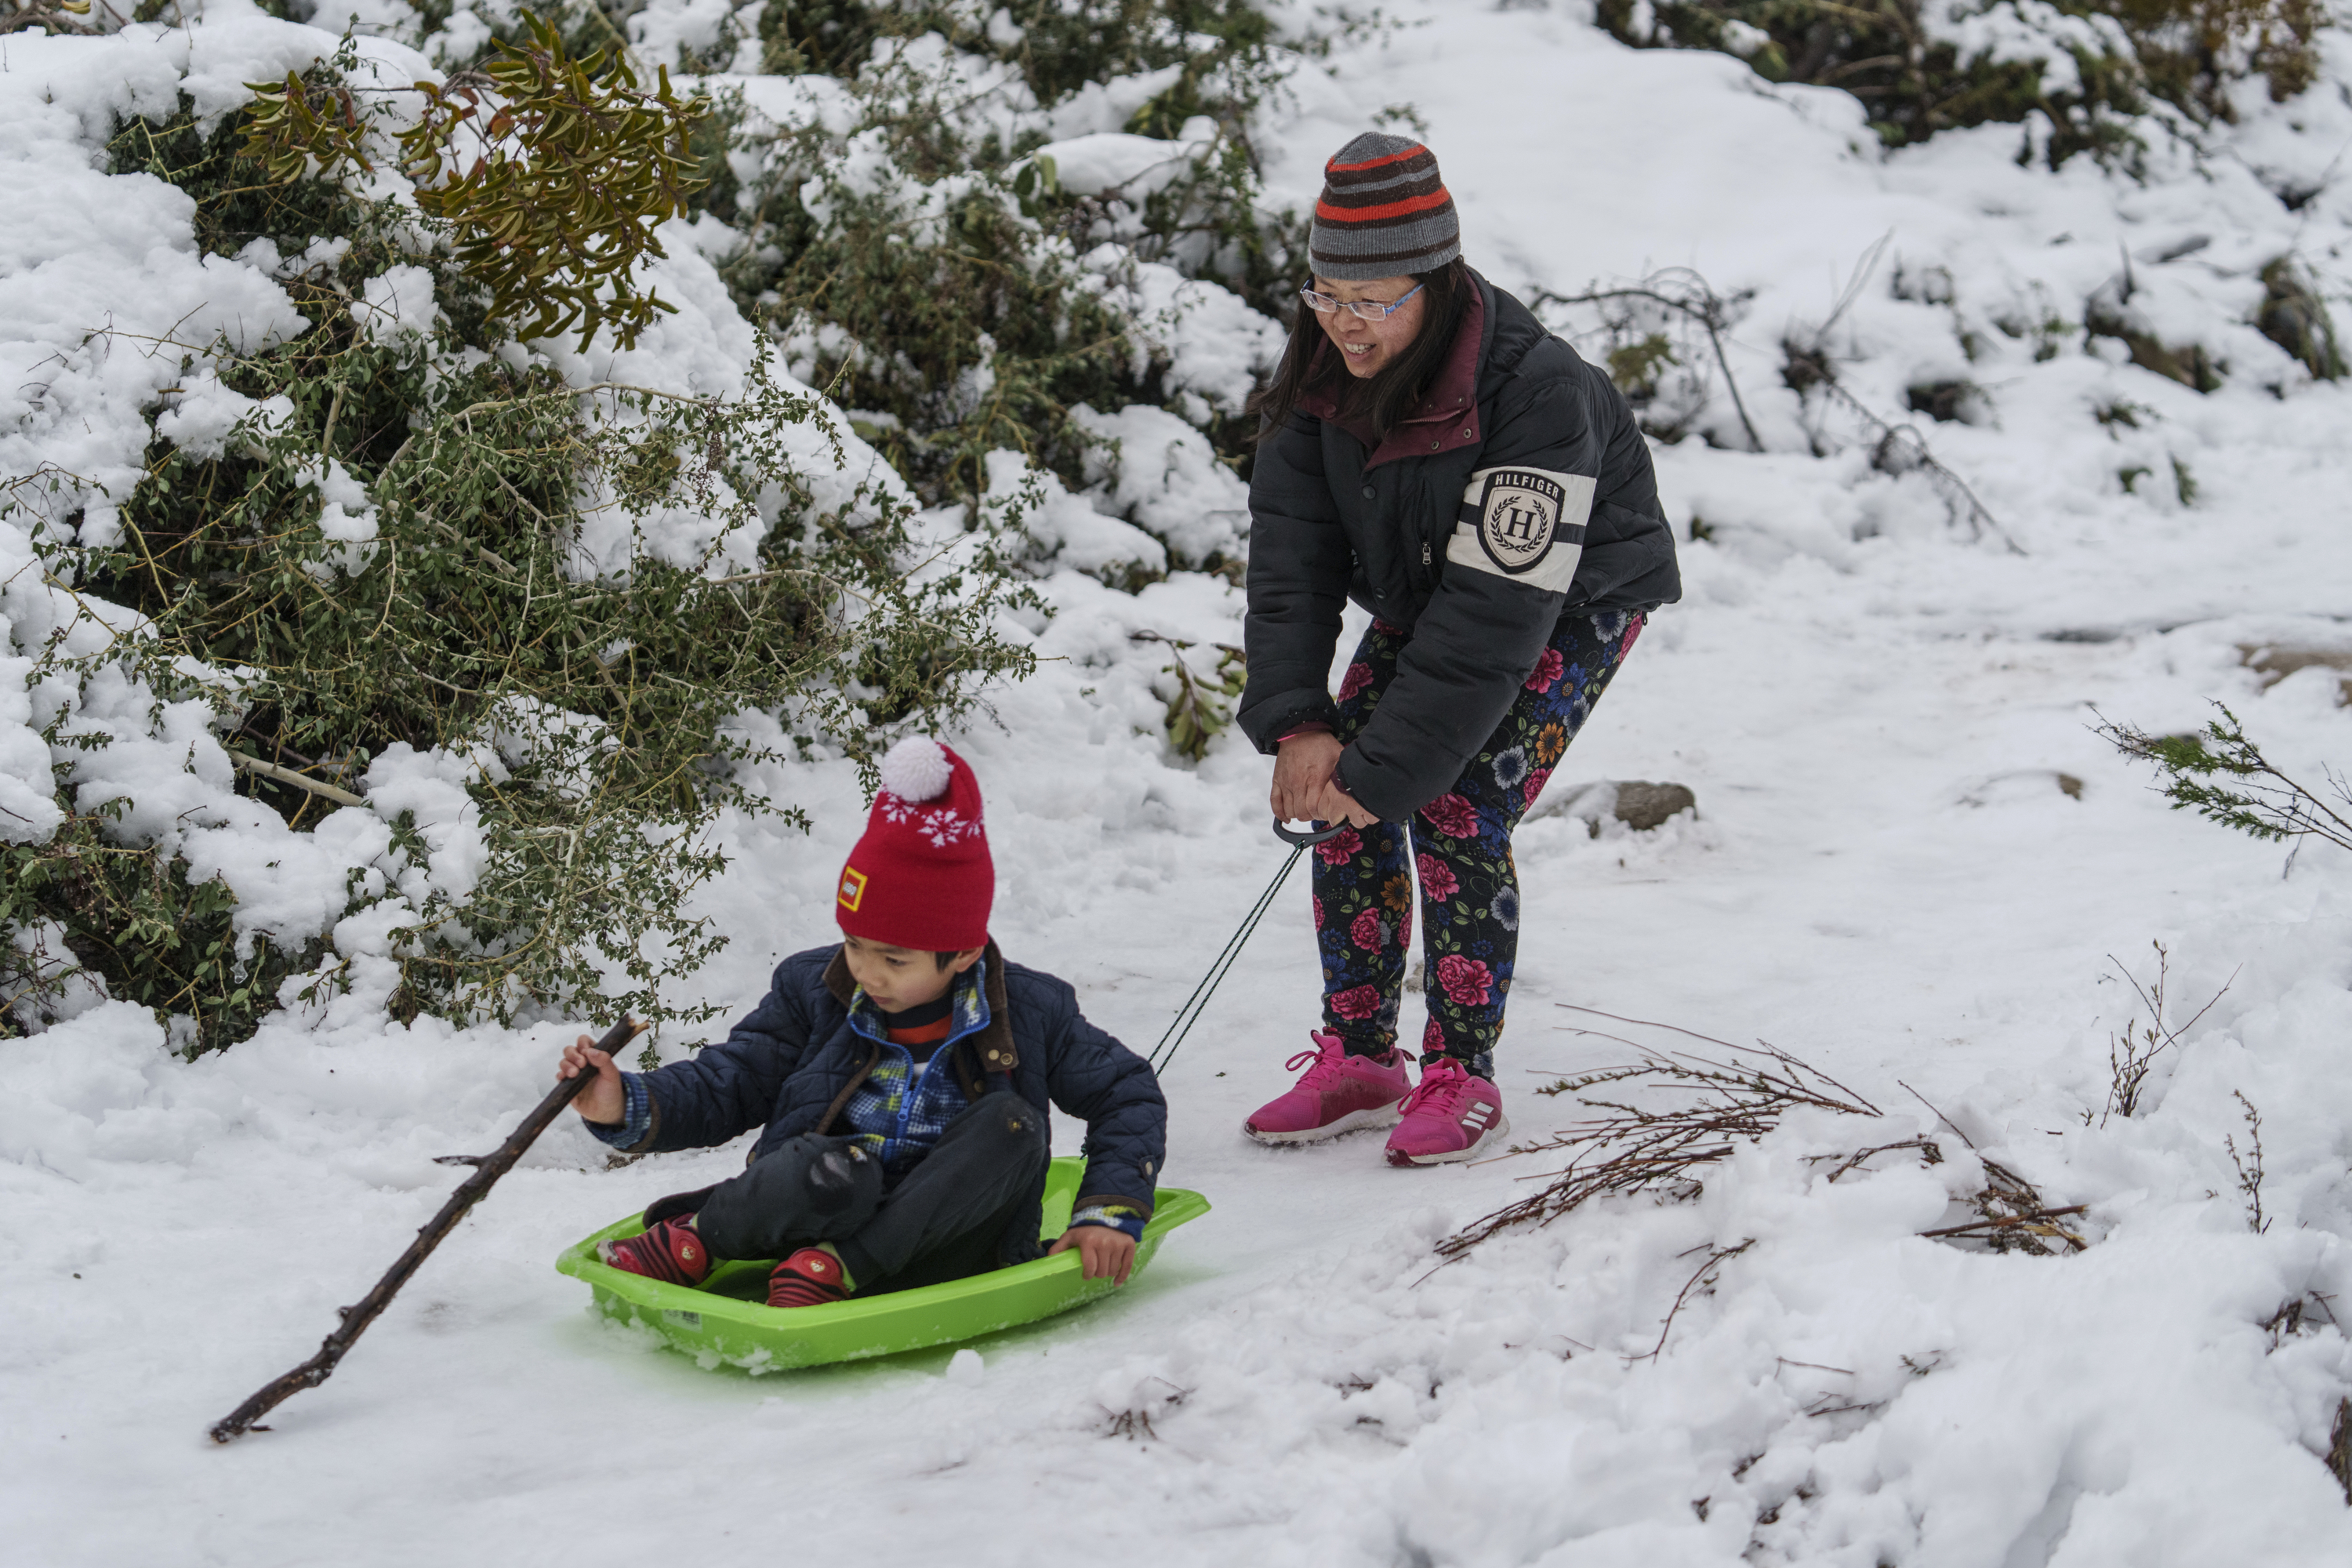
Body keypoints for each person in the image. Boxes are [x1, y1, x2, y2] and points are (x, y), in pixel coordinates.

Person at [1236, 132, 1679, 1167]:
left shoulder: (1537, 392)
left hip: (1570, 599)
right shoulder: (1318, 372)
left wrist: (1387, 766)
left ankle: (1461, 1072)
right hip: (1430, 585)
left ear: (1434, 281)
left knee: (1452, 800)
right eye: (1326, 295)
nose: (1345, 323)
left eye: (1373, 300)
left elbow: (1495, 618)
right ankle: (1359, 1054)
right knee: (1338, 786)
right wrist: (1301, 726)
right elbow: (1291, 562)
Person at [557, 737, 1167, 1308]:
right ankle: (702, 1241)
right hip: (818, 1209)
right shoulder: (815, 990)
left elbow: (1128, 1092)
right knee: (831, 1165)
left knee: (1013, 1126)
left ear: (962, 953)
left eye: (894, 960)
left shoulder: (1033, 1010)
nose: (868, 974)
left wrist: (1107, 1212)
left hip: (941, 1234)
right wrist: (624, 1103)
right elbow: (733, 1079)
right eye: (855, 945)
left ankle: (841, 1267)